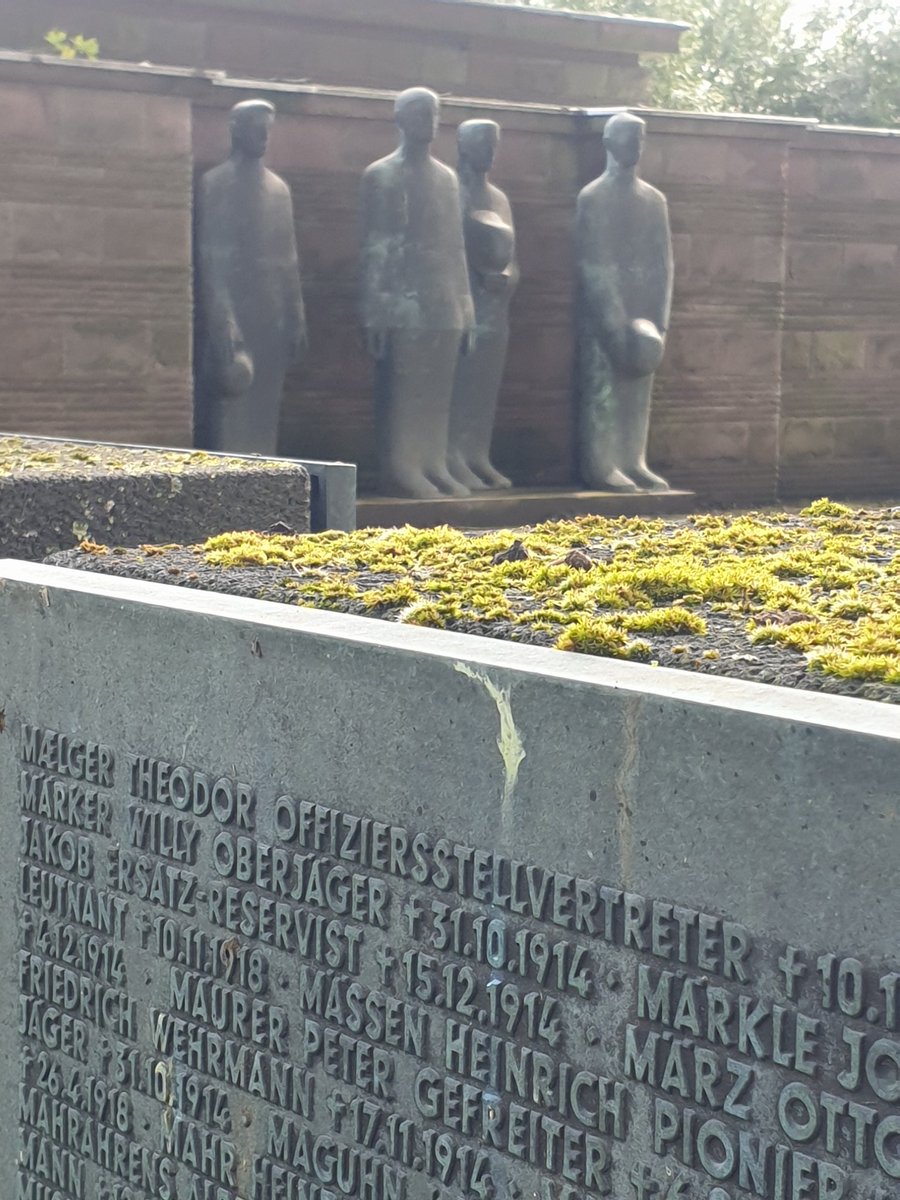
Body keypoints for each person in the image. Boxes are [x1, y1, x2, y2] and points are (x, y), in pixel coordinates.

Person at [360, 87, 475, 499]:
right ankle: (402, 466)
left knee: (438, 392)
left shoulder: (447, 179)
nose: (431, 121)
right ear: (402, 119)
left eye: (436, 113)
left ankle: (433, 461)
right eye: (422, 113)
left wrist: (467, 309)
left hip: (442, 301)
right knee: (406, 390)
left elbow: (456, 248)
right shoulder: (381, 175)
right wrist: (375, 312)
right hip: (402, 305)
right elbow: (375, 248)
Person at [194, 99, 306, 454]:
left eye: (267, 128)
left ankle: (264, 464)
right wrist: (222, 319)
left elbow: (288, 258)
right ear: (235, 129)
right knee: (232, 393)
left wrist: (296, 313)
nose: (262, 136)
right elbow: (210, 256)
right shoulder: (215, 184)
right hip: (234, 309)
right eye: (256, 127)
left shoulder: (279, 190)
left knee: (265, 400)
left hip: (271, 311)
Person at [576, 111, 672, 492]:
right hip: (605, 315)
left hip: (645, 313)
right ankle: (601, 464)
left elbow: (665, 264)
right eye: (627, 138)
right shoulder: (594, 197)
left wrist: (659, 322)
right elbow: (594, 262)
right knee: (603, 390)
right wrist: (613, 323)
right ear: (608, 142)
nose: (634, 146)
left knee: (637, 393)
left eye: (640, 139)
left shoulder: (654, 200)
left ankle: (634, 459)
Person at [447, 119, 518, 491]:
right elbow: (445, 251)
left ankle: (477, 455)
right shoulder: (449, 191)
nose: (490, 153)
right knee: (457, 386)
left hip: (494, 308)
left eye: (495, 145)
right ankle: (452, 456)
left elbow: (514, 259)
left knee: (483, 389)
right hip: (462, 306)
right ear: (463, 145)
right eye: (482, 144)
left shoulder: (499, 199)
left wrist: (506, 278)